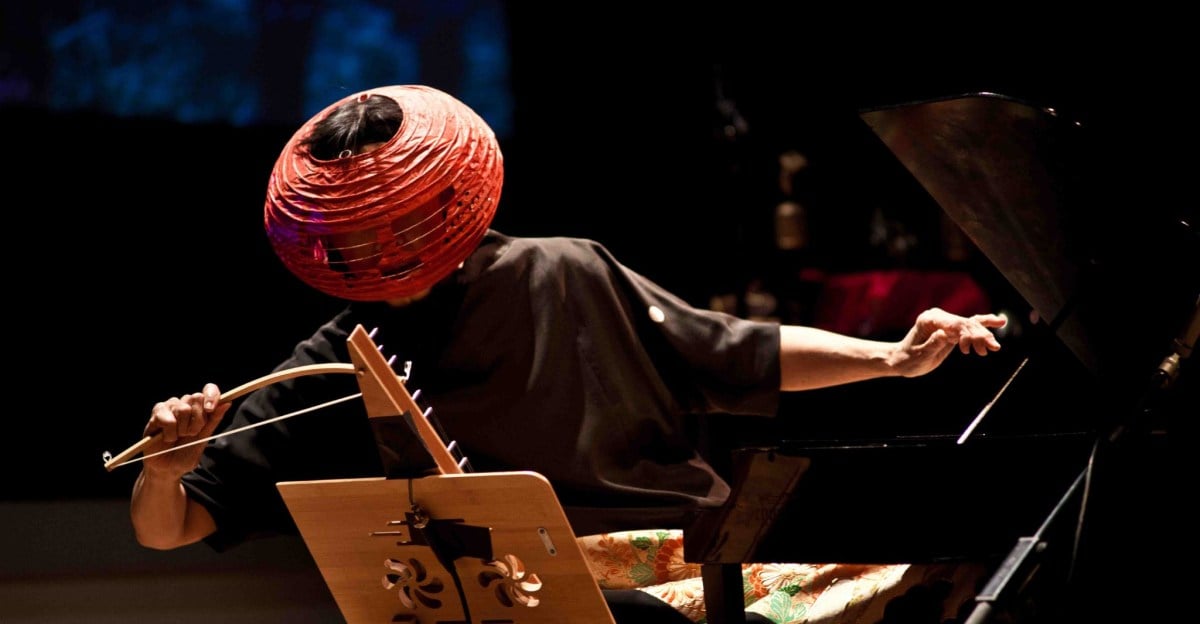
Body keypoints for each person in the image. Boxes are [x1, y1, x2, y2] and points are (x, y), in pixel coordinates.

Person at [128, 85, 1007, 624]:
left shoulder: (563, 269)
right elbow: (170, 528)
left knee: (975, 578)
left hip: (680, 565)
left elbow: (738, 350)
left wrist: (891, 358)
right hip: (522, 595)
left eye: (397, 225)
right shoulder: (342, 351)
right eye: (360, 238)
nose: (385, 254)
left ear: (440, 201)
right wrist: (167, 469)